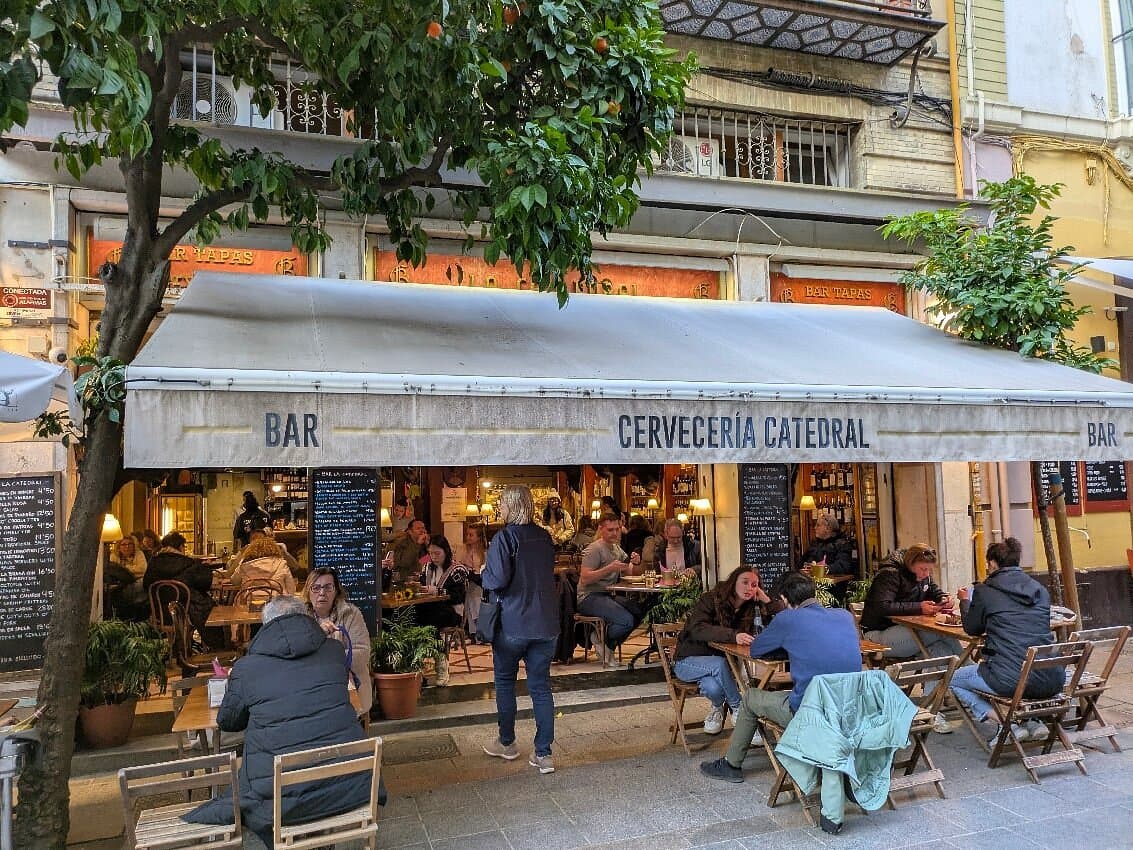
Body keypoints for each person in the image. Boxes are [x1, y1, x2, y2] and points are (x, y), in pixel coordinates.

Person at [182, 596, 380, 847]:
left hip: (280, 802)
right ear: (306, 619)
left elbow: (228, 721)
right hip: (350, 787)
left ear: (266, 627)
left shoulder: (246, 668)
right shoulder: (333, 652)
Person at [699, 571, 862, 789]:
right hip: (850, 710)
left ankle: (731, 764)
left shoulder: (788, 618)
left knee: (750, 698)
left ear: (784, 599)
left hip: (810, 713)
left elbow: (757, 649)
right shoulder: (844, 615)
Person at [949, 537, 1060, 744]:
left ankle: (1007, 722)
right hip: (1051, 677)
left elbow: (972, 628)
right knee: (1012, 670)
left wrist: (965, 601)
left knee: (954, 679)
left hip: (1010, 679)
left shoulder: (985, 590)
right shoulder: (1039, 590)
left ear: (992, 564)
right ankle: (1031, 721)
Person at [480, 485, 558, 774]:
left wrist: (484, 573)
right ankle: (544, 753)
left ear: (512, 506)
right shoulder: (545, 537)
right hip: (546, 623)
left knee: (504, 682)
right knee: (540, 687)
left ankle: (507, 742)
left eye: (501, 503)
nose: (499, 508)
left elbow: (497, 580)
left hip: (513, 622)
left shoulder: (504, 538)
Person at [860, 544, 961, 734]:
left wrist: (943, 598)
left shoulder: (923, 576)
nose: (925, 573)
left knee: (937, 647)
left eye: (929, 570)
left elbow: (932, 589)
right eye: (923, 569)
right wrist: (919, 607)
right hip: (879, 635)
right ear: (911, 563)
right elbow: (883, 606)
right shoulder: (889, 574)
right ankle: (968, 671)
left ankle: (932, 708)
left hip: (909, 632)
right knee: (940, 633)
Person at [674, 566, 770, 735]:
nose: (749, 588)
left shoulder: (749, 608)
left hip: (720, 669)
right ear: (733, 582)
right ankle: (738, 708)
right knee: (719, 664)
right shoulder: (710, 599)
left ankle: (717, 708)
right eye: (745, 582)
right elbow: (697, 628)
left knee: (713, 688)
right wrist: (734, 635)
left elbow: (777, 622)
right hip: (687, 661)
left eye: (754, 585)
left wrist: (766, 600)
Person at [301, 567, 373, 719]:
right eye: (316, 587)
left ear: (336, 591)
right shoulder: (299, 617)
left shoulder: (351, 614)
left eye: (328, 587)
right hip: (311, 686)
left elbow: (362, 653)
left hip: (347, 686)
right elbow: (297, 652)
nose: (322, 593)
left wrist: (324, 660)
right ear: (308, 591)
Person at [577, 512, 643, 668]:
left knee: (639, 612)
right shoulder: (594, 549)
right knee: (626, 620)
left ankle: (605, 643)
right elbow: (585, 578)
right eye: (610, 530)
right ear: (601, 529)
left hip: (607, 594)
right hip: (588, 597)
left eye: (617, 529)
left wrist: (634, 562)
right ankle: (602, 640)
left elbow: (628, 572)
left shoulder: (616, 548)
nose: (614, 533)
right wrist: (609, 569)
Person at [143, 532, 221, 647]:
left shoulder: (153, 563)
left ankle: (180, 650)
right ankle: (217, 645)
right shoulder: (186, 563)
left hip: (160, 614)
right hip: (184, 613)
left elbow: (146, 585)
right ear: (180, 547)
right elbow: (205, 583)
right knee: (204, 603)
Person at [414, 535, 466, 632]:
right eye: (431, 553)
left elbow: (458, 596)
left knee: (427, 616)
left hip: (451, 611)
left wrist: (438, 591)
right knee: (411, 613)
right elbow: (422, 586)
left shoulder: (457, 570)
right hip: (430, 607)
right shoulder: (427, 568)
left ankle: (435, 644)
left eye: (437, 553)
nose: (433, 557)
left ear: (446, 552)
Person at [800, 512, 855, 602]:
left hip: (834, 591)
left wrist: (824, 568)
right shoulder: (815, 544)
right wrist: (807, 566)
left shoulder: (842, 544)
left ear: (828, 528)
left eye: (818, 525)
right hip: (812, 589)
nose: (815, 528)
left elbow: (843, 566)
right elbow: (803, 562)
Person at [228, 536, 297, 594]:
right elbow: (291, 589)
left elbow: (234, 581)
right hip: (277, 606)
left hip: (250, 605)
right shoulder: (281, 564)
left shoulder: (244, 566)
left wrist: (241, 561)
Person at [454, 524, 488, 636]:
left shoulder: (484, 552)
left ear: (479, 537)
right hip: (467, 583)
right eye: (467, 534)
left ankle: (479, 631)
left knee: (476, 600)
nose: (468, 537)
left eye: (471, 535)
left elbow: (481, 570)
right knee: (470, 601)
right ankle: (472, 631)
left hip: (479, 583)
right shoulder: (462, 549)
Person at [390, 519, 429, 584]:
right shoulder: (402, 543)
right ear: (410, 531)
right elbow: (405, 562)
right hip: (404, 580)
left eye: (423, 528)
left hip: (421, 580)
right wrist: (417, 544)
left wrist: (428, 545)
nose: (422, 531)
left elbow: (425, 560)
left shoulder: (425, 543)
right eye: (418, 528)